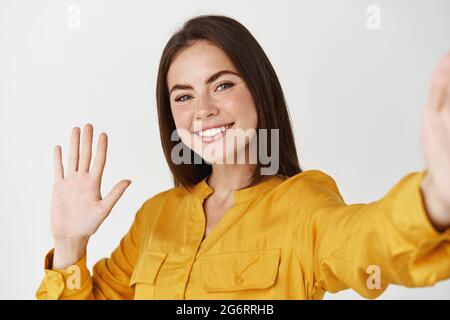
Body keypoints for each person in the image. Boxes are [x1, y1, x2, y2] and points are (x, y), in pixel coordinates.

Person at [36, 15, 450, 300]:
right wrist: (69, 245)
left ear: (259, 91)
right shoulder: (155, 217)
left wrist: (436, 196)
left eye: (222, 85)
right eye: (183, 96)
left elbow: (368, 240)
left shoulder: (301, 203)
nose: (202, 109)